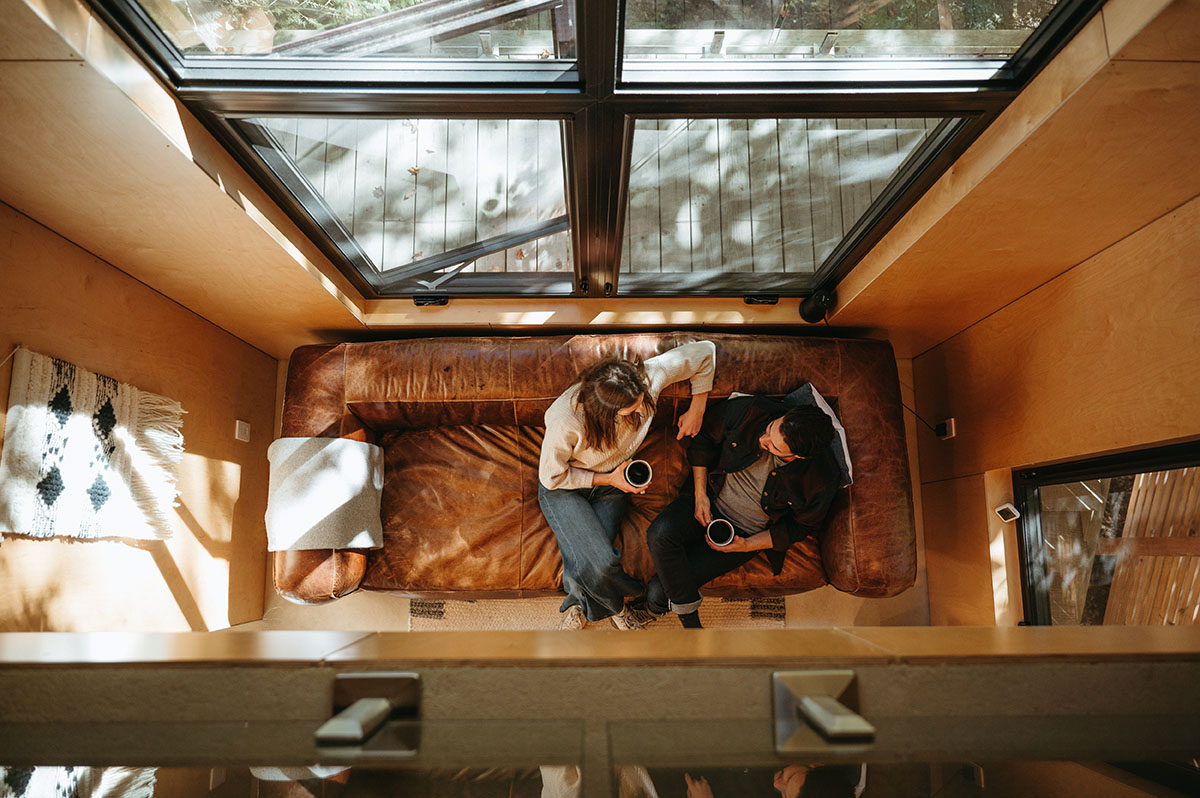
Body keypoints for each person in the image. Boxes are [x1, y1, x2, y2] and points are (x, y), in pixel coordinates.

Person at [539, 340, 716, 630]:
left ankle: (582, 602)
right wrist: (609, 478)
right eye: (630, 411)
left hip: (612, 485)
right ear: (604, 413)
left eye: (642, 401)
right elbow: (551, 477)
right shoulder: (565, 419)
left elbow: (705, 351)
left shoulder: (648, 377)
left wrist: (699, 405)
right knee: (602, 566)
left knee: (593, 562)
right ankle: (619, 606)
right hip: (565, 486)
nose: (641, 412)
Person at [645, 395, 841, 629]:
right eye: (770, 429)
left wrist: (747, 545)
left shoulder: (821, 478)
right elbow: (703, 439)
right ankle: (691, 624)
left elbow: (801, 527)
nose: (763, 439)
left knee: (658, 592)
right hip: (709, 497)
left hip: (744, 534)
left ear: (799, 457)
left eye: (773, 446)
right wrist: (700, 496)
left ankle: (648, 611)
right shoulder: (750, 410)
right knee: (659, 534)